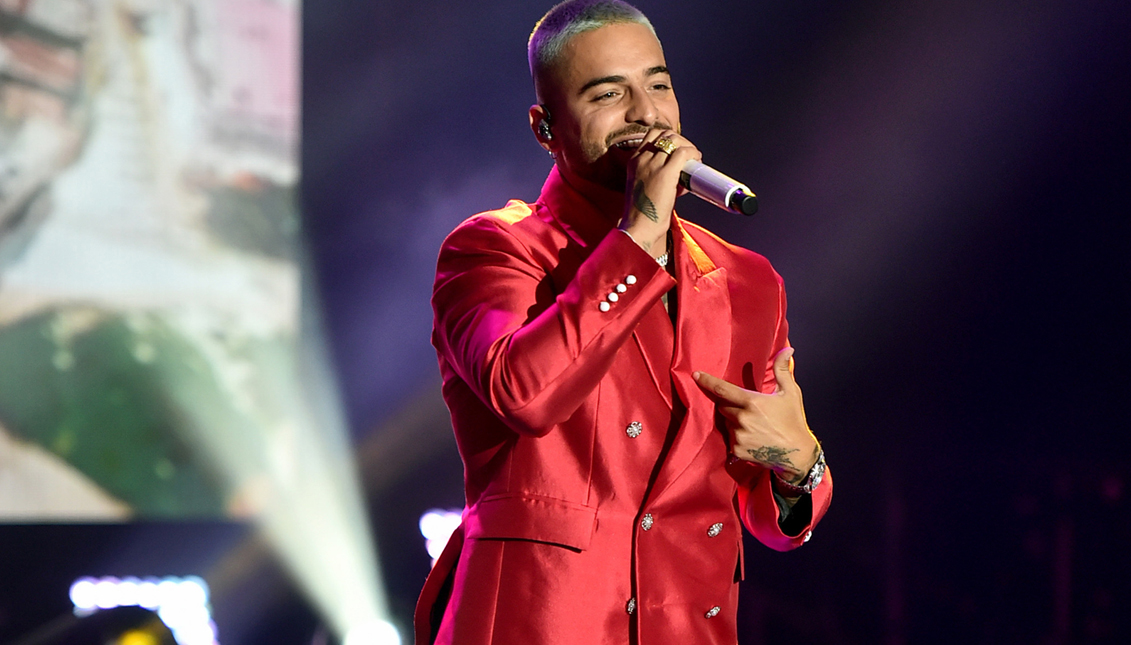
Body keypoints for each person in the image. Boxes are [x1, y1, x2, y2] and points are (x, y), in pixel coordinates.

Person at [415, 1, 832, 643]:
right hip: (540, 624)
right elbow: (524, 395)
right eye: (609, 94)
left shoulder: (749, 281)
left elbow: (768, 517)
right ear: (545, 127)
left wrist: (798, 464)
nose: (647, 114)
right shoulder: (495, 250)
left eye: (658, 85)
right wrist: (639, 234)